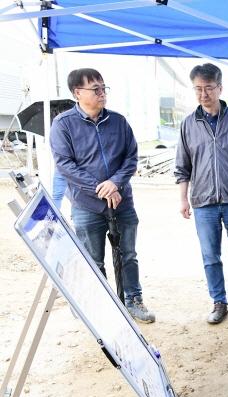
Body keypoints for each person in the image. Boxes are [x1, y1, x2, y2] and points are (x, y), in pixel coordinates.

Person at [50, 68, 155, 323]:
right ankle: (100, 305)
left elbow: (131, 157)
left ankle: (133, 300)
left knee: (128, 254)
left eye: (103, 88)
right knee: (93, 259)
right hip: (87, 206)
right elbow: (65, 164)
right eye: (95, 89)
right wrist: (101, 187)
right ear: (77, 93)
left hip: (122, 201)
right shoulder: (63, 124)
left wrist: (115, 183)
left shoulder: (118, 122)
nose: (101, 93)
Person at [175, 63, 228, 325]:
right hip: (203, 203)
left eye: (208, 88)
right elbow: (182, 166)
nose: (203, 94)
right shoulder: (188, 125)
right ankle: (219, 301)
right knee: (210, 256)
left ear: (220, 88)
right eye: (198, 89)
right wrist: (183, 199)